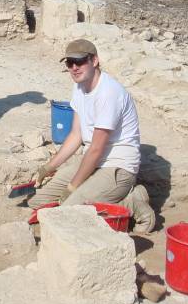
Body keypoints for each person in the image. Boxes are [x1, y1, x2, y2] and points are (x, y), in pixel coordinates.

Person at [27, 39, 156, 233]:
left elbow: (96, 149)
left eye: (80, 62)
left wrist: (72, 188)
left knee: (67, 214)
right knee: (37, 203)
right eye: (70, 63)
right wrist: (48, 167)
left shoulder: (108, 93)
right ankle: (98, 195)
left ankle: (132, 202)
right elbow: (76, 134)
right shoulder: (80, 87)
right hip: (94, 163)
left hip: (117, 167)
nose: (74, 68)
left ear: (94, 60)